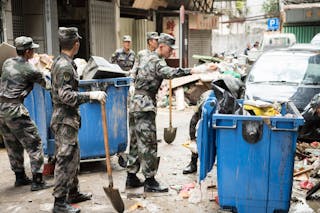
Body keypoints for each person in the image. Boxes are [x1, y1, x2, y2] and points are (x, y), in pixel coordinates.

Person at [126, 33, 216, 192]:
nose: (171, 52)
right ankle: (150, 181)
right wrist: (194, 70)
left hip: (134, 103)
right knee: (148, 142)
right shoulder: (157, 62)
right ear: (161, 46)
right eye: (170, 48)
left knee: (134, 141)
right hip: (144, 105)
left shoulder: (144, 56)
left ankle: (131, 176)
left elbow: (136, 72)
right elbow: (171, 73)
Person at [51, 27, 107, 213]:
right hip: (64, 119)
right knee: (65, 159)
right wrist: (91, 95)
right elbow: (66, 96)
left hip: (68, 119)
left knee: (73, 157)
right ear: (76, 44)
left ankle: (73, 192)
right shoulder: (65, 66)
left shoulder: (62, 61)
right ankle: (59, 203)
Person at [0, 36, 52, 191]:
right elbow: (48, 86)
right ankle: (37, 181)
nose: (35, 51)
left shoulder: (8, 62)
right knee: (34, 142)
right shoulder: (31, 69)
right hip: (15, 110)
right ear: (28, 52)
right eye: (33, 50)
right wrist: (45, 69)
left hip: (1, 109)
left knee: (12, 143)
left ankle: (20, 177)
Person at [182, 90, 211, 174]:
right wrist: (193, 139)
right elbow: (193, 122)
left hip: (220, 119)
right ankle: (193, 163)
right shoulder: (201, 107)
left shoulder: (222, 106)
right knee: (199, 137)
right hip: (205, 104)